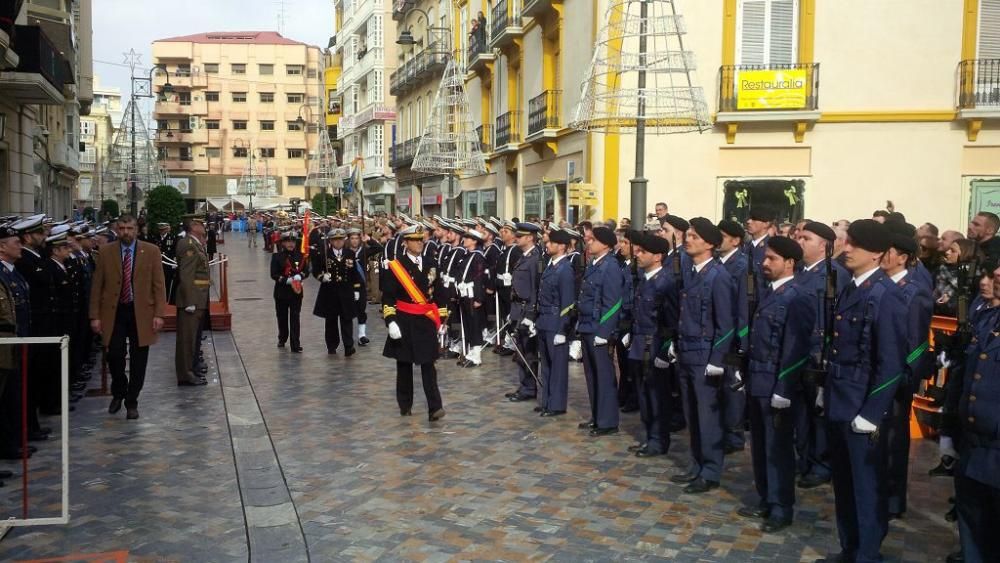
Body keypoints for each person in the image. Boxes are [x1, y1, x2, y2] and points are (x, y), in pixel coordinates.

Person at [818, 220, 907, 563]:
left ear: (876, 254)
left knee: (866, 486)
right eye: (848, 241)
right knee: (844, 483)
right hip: (842, 398)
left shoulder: (886, 296)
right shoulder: (852, 288)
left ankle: (868, 554)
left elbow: (891, 363)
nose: (847, 248)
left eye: (855, 244)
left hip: (862, 406)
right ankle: (850, 546)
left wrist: (872, 413)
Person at [737, 236, 816, 533]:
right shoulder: (770, 293)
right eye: (765, 258)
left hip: (778, 385)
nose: (764, 263)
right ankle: (766, 498)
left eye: (771, 259)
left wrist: (784, 388)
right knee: (760, 445)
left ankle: (782, 506)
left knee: (778, 449)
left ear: (789, 263)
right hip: (759, 379)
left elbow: (797, 348)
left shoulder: (798, 297)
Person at [671, 218, 734, 494]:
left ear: (710, 244)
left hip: (704, 356)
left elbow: (726, 323)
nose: (688, 240)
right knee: (692, 415)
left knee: (707, 416)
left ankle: (710, 470)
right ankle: (696, 465)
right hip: (687, 351)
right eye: (688, 235)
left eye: (694, 237)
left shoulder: (718, 277)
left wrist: (717, 359)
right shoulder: (694, 273)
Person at [89, 214, 167, 420]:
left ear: (137, 229)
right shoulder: (106, 252)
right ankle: (119, 389)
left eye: (130, 228)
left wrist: (159, 313)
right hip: (114, 311)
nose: (126, 232)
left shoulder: (151, 251)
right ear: (116, 229)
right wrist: (94, 316)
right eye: (122, 228)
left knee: (139, 358)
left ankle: (132, 400)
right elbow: (97, 285)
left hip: (141, 311)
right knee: (114, 354)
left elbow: (159, 285)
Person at [381, 225, 449, 420]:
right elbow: (388, 297)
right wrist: (391, 321)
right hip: (404, 320)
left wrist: (442, 319)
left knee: (429, 364)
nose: (419, 243)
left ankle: (435, 407)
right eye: (414, 240)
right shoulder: (395, 266)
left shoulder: (432, 263)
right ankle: (405, 404)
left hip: (425, 320)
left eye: (421, 239)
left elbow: (440, 294)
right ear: (405, 243)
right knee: (404, 366)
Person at [625, 231, 676, 457]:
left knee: (657, 396)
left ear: (658, 257)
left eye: (643, 251)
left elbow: (671, 322)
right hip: (639, 343)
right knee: (644, 394)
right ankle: (649, 436)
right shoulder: (644, 279)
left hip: (654, 345)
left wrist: (665, 351)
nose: (638, 254)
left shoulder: (665, 282)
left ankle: (658, 440)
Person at [576, 226, 625, 436]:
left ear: (605, 244)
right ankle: (597, 416)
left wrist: (604, 333)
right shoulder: (594, 264)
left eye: (592, 240)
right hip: (587, 325)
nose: (588, 243)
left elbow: (612, 303)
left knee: (604, 376)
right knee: (591, 375)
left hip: (598, 328)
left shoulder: (610, 266)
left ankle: (607, 421)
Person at [534, 228, 576, 418]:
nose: (547, 245)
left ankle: (557, 404)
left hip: (555, 323)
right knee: (547, 365)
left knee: (558, 366)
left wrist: (563, 329)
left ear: (561, 246)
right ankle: (547, 401)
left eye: (551, 242)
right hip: (544, 321)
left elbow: (567, 303)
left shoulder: (565, 269)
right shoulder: (551, 265)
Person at [717, 219, 750, 455]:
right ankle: (723, 431)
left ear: (735, 240)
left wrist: (742, 342)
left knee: (733, 387)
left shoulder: (742, 265)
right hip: (719, 333)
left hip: (733, 335)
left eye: (722, 235)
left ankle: (734, 435)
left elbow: (744, 307)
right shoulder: (719, 263)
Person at [506, 222, 542, 402]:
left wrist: (531, 315)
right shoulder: (523, 257)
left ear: (530, 238)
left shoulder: (535, 259)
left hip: (526, 309)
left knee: (528, 351)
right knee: (520, 350)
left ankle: (529, 388)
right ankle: (524, 385)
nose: (516, 238)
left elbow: (536, 290)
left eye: (520, 236)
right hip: (517, 308)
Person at [312, 229, 362, 356]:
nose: (338, 242)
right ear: (331, 241)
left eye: (340, 239)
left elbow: (354, 273)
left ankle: (348, 346)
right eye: (335, 240)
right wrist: (321, 277)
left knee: (347, 320)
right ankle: (332, 345)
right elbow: (315, 270)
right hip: (330, 292)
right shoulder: (324, 254)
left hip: (346, 291)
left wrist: (356, 289)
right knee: (331, 321)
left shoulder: (349, 253)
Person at [174, 215, 210, 387]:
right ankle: (185, 374)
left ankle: (192, 368)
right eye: (200, 223)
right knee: (187, 340)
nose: (203, 226)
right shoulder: (188, 244)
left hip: (198, 298)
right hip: (192, 300)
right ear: (193, 226)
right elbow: (186, 274)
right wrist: (189, 301)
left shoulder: (195, 243)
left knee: (194, 339)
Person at [271, 232, 308, 353]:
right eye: (287, 241)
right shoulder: (277, 256)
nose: (291, 244)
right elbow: (273, 274)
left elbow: (306, 271)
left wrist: (300, 276)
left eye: (293, 242)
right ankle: (282, 337)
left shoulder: (301, 256)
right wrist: (286, 280)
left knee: (295, 317)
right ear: (283, 243)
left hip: (296, 292)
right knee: (282, 317)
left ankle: (295, 344)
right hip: (282, 291)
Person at [935, 238, 980, 316]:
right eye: (949, 249)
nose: (947, 252)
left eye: (953, 251)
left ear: (965, 253)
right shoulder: (941, 271)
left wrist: (949, 301)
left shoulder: (974, 277)